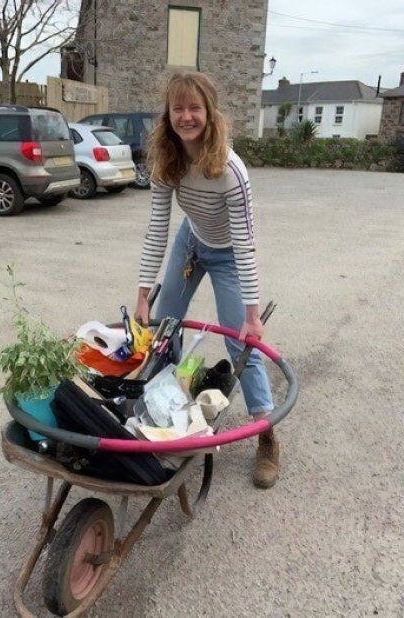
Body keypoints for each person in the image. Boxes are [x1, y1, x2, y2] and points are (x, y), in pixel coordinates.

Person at [134, 71, 280, 488]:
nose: (186, 116)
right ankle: (167, 410)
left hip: (229, 252)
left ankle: (266, 433)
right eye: (178, 108)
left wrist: (252, 315)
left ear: (210, 112)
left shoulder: (231, 170)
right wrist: (143, 295)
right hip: (191, 241)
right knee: (165, 328)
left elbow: (246, 244)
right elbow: (157, 229)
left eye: (194, 108)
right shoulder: (167, 160)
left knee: (241, 342)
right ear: (168, 114)